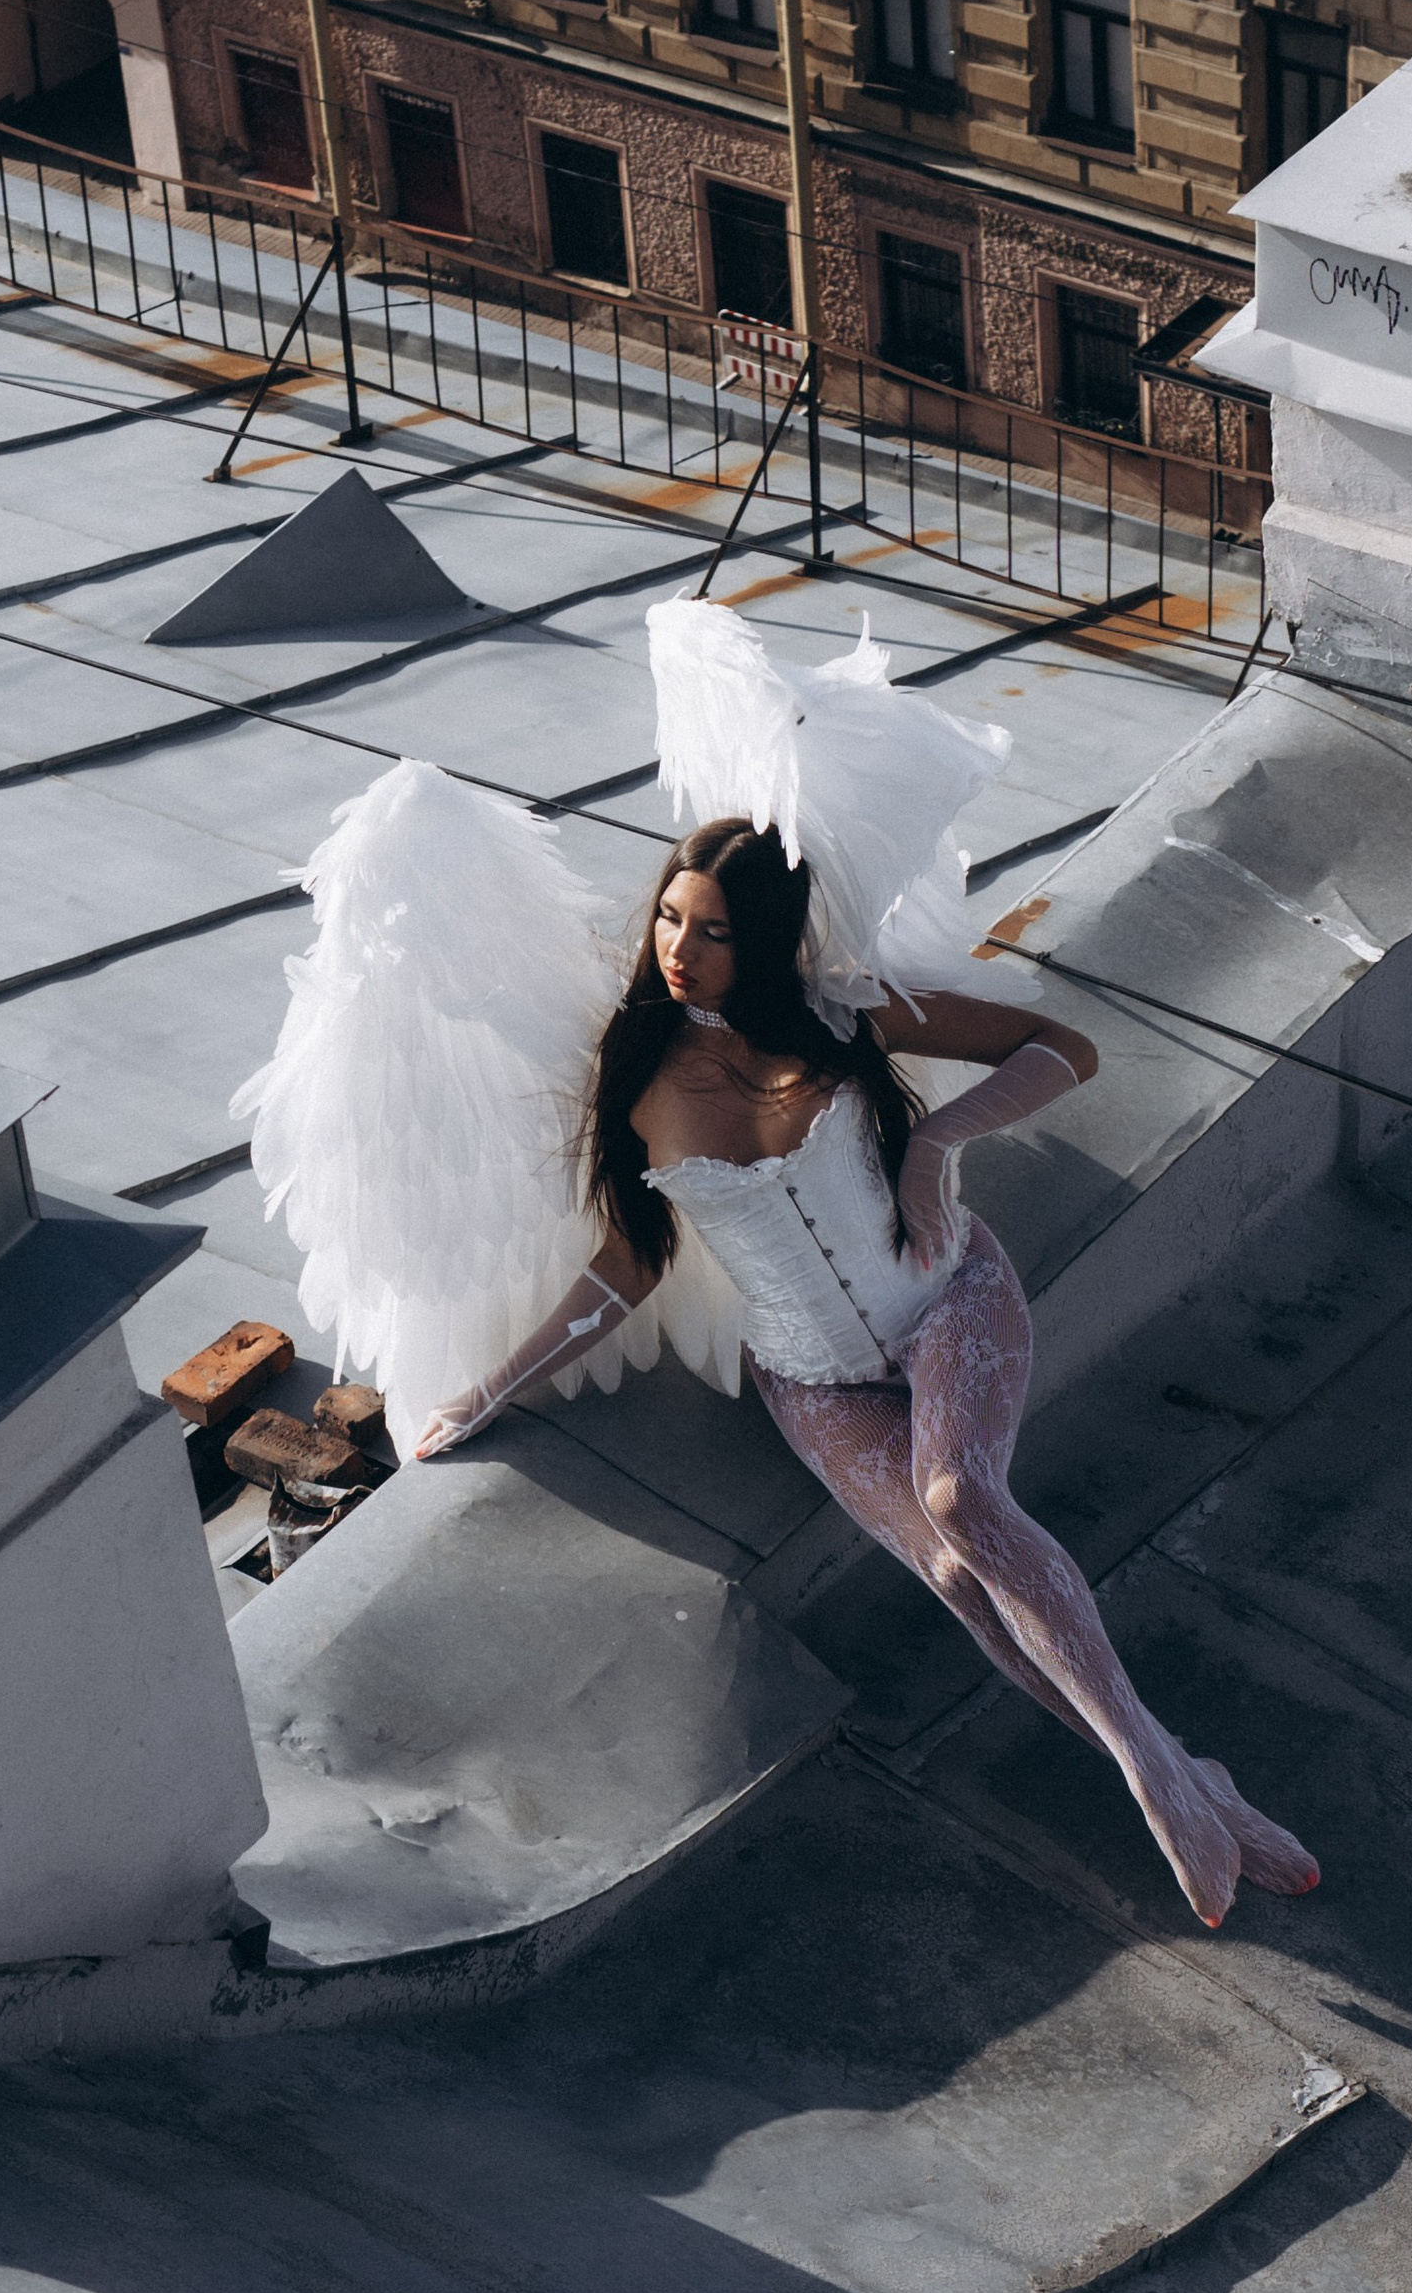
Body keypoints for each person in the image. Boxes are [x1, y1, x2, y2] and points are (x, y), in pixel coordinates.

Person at [408, 814, 1319, 1931]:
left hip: (946, 1300)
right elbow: (630, 1263)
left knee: (961, 1496)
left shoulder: (841, 1013)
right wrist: (492, 1389)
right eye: (668, 918)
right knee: (954, 1577)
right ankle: (1190, 1774)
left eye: (715, 932)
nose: (678, 949)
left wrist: (938, 1145)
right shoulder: (635, 1072)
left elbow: (1060, 1049)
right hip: (813, 1376)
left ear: (770, 941)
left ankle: (1151, 1776)